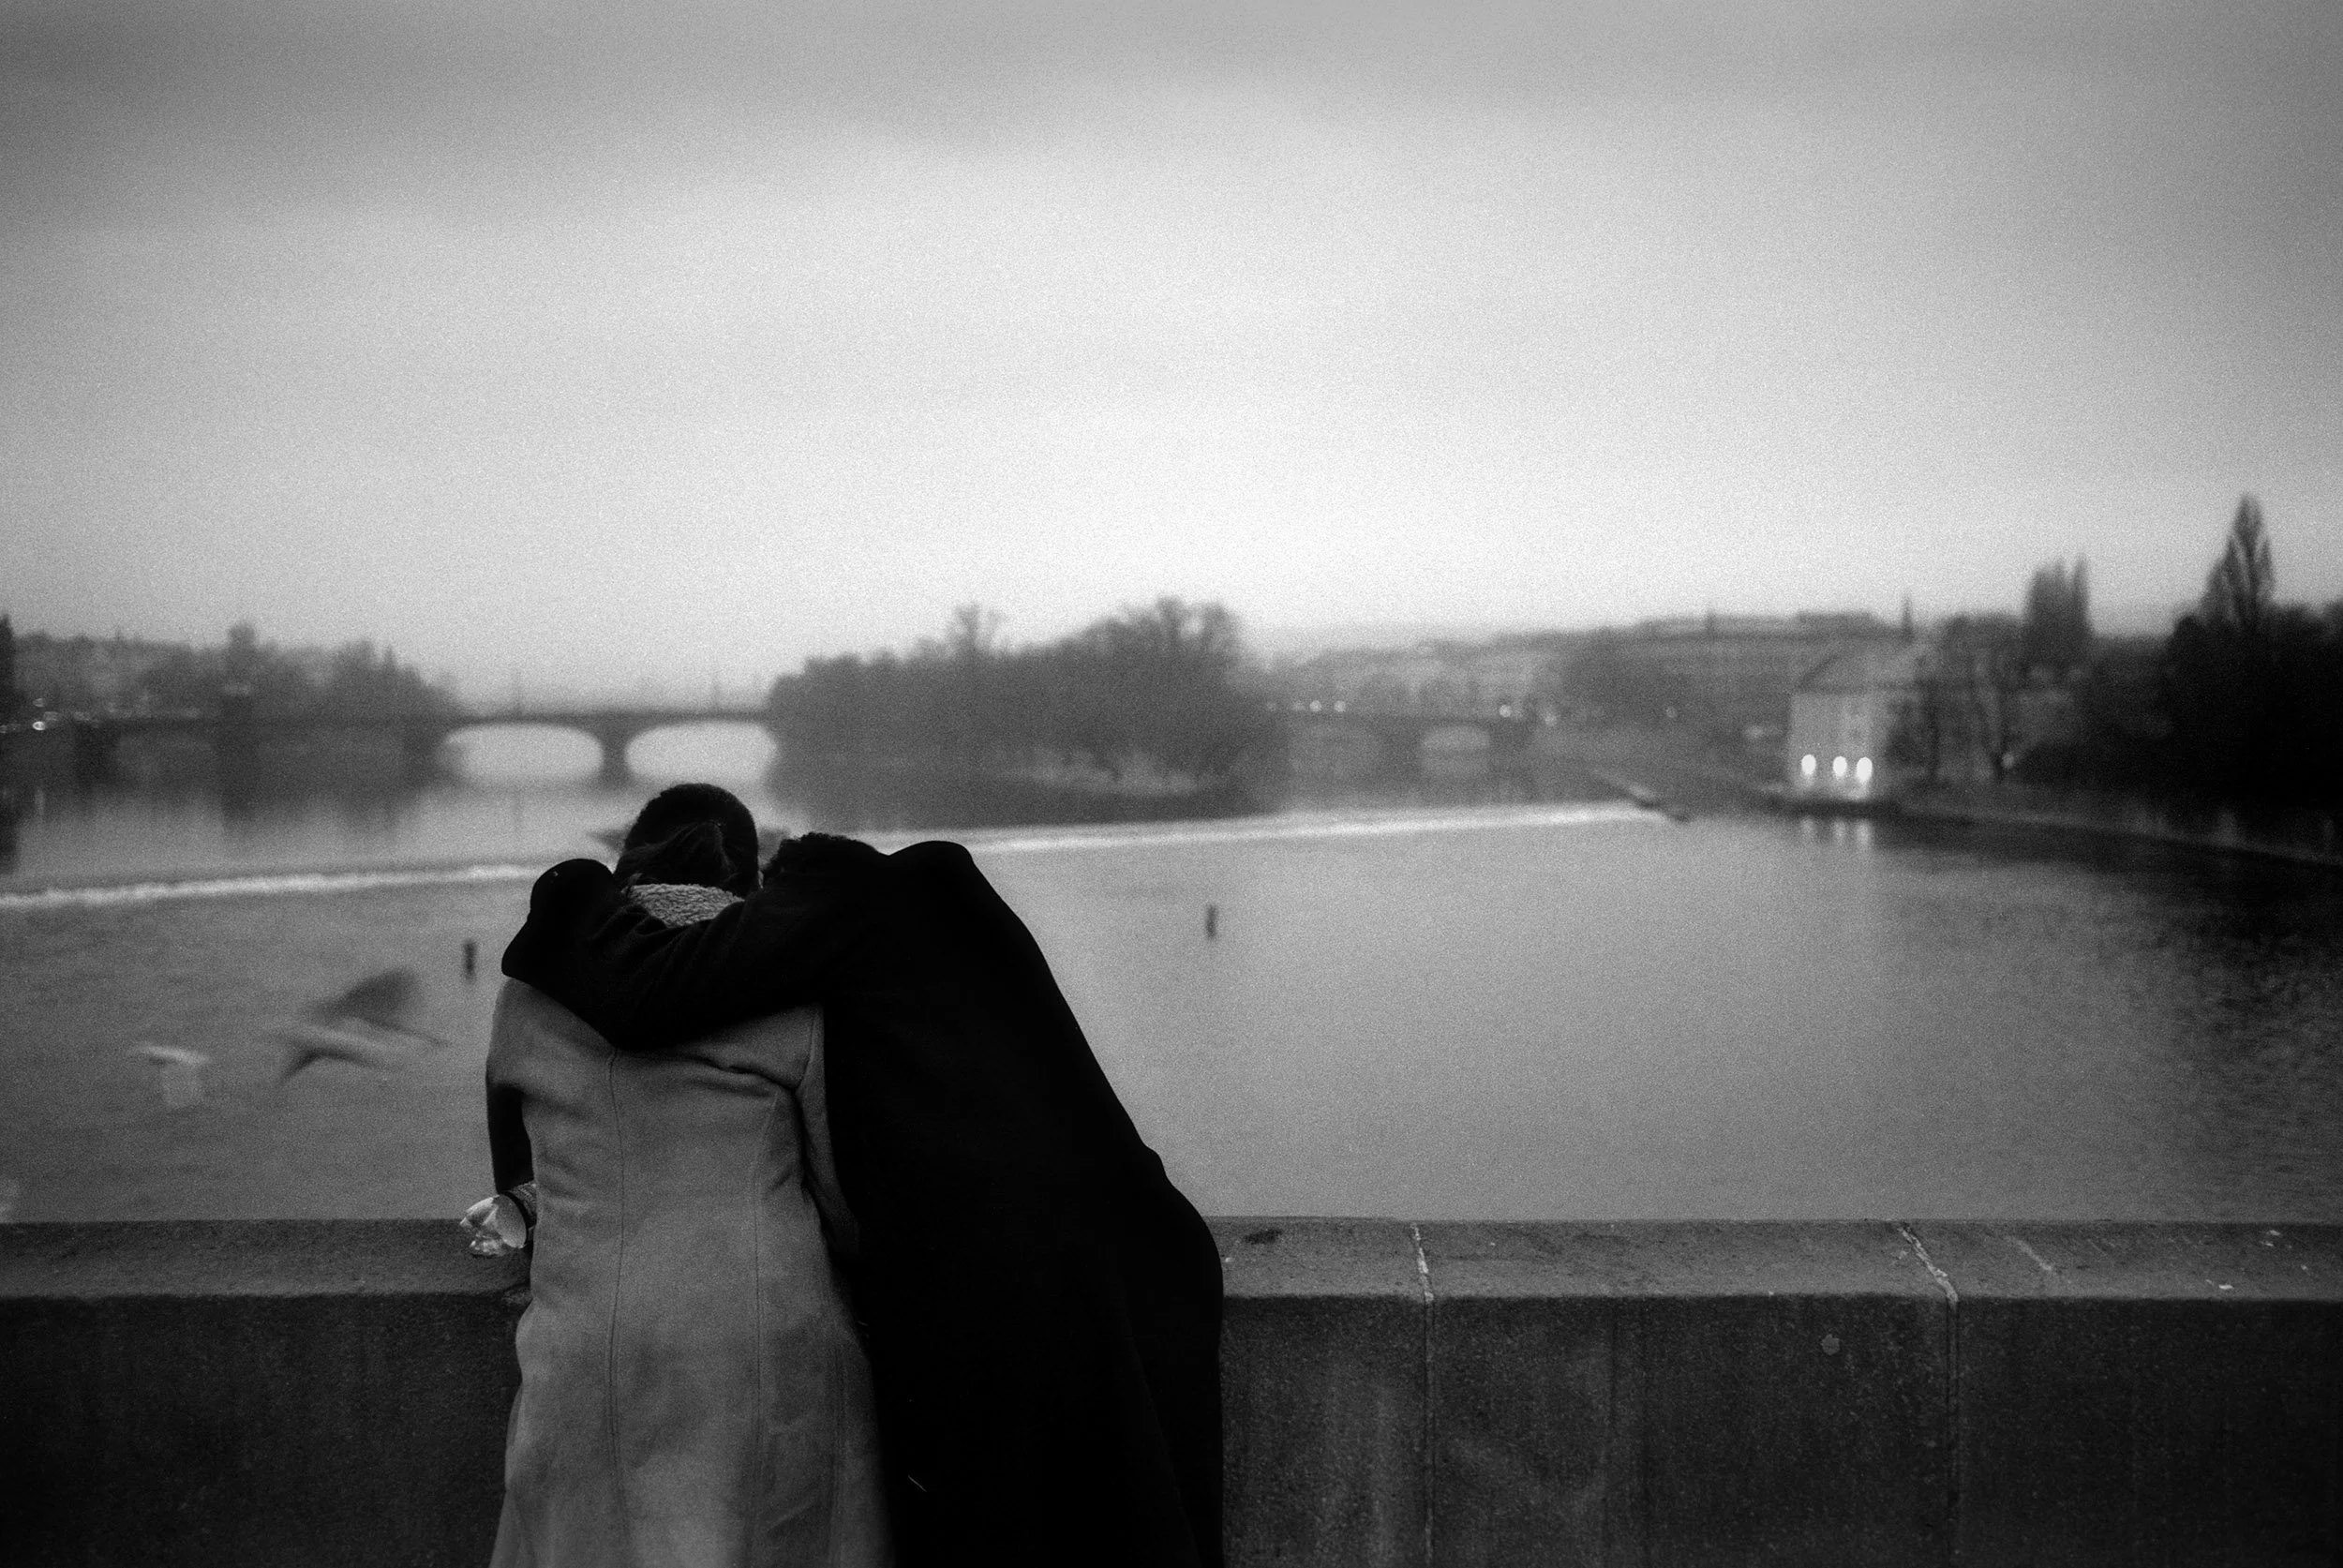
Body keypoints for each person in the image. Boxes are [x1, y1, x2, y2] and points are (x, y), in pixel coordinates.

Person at [502, 823, 1224, 1568]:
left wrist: (572, 893)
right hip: (1144, 1256)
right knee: (1136, 1526)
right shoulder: (937, 908)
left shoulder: (837, 903)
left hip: (1013, 1292)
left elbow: (645, 995)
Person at [478, 784, 890, 1568]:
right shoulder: (790, 991)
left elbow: (518, 1175)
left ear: (625, 868)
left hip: (585, 1350)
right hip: (763, 1349)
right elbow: (842, 1203)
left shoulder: (527, 996)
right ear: (751, 884)